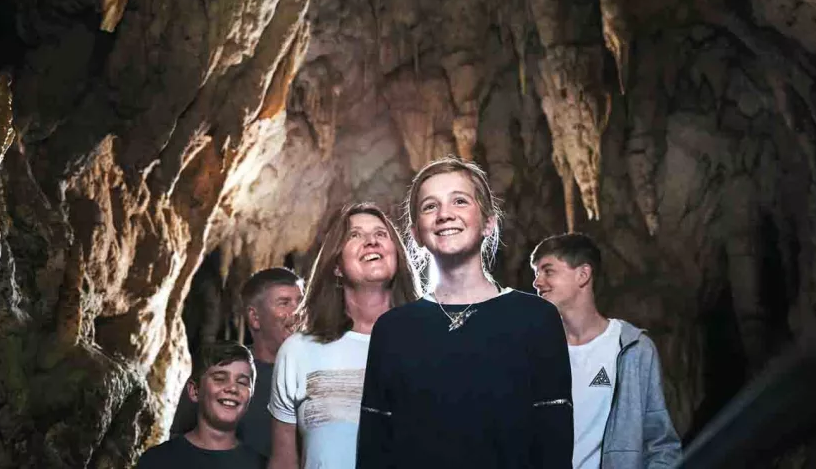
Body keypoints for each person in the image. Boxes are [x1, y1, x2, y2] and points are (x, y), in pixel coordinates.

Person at [357, 157, 574, 469]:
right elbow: (374, 452)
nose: (445, 214)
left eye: (459, 201)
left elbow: (554, 445)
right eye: (430, 206)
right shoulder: (393, 330)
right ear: (417, 232)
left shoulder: (537, 319)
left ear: (488, 222)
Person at [268, 202, 420, 469]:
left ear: (396, 255)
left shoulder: (429, 343)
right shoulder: (299, 351)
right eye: (355, 235)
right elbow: (283, 461)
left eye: (381, 234)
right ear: (336, 266)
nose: (371, 241)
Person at [530, 233, 681, 468]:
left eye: (547, 271)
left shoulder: (632, 349)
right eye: (536, 273)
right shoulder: (534, 351)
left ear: (583, 275)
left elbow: (661, 444)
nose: (537, 282)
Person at [170, 268, 304, 458]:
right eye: (284, 303)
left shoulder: (319, 374)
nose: (297, 312)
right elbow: (178, 443)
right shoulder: (216, 372)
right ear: (255, 317)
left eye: (301, 303)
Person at [137, 342, 265, 468]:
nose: (232, 388)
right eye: (220, 379)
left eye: (242, 382)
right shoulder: (157, 461)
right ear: (194, 391)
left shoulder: (264, 465)